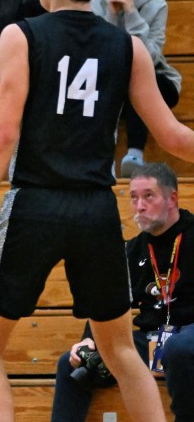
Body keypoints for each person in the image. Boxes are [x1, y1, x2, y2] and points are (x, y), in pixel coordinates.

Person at [0, 0, 194, 422]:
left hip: (35, 202)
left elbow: (4, 132)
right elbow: (173, 136)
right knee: (122, 353)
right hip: (96, 210)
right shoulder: (129, 48)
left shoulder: (22, 33)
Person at [51, 163, 193, 422]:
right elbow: (107, 301)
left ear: (172, 198)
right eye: (134, 198)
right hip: (157, 341)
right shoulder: (133, 249)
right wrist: (88, 340)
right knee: (73, 361)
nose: (139, 206)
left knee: (178, 350)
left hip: (188, 338)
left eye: (148, 196)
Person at [90, 0, 182, 175]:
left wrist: (130, 11)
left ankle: (134, 155)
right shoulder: (96, 5)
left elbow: (149, 56)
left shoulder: (156, 5)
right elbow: (101, 56)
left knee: (137, 80)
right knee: (98, 86)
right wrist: (111, 14)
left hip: (156, 79)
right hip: (110, 80)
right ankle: (103, 157)